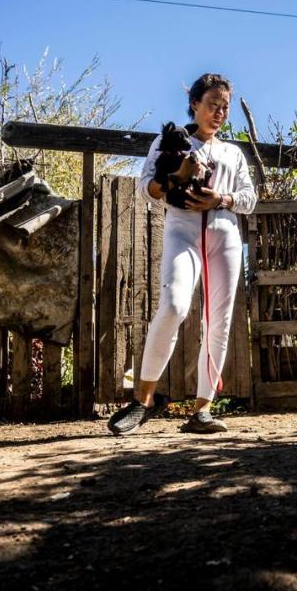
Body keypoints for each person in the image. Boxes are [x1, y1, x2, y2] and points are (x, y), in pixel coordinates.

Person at [108, 73, 257, 435]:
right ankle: (143, 400)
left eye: (224, 107)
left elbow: (249, 199)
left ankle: (202, 410)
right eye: (212, 105)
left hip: (225, 236)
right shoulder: (171, 139)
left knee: (218, 320)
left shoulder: (232, 153)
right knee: (173, 305)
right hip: (182, 229)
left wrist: (221, 198)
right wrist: (171, 181)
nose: (219, 113)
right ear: (194, 103)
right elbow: (145, 186)